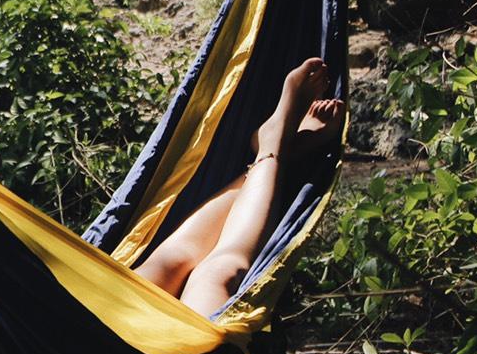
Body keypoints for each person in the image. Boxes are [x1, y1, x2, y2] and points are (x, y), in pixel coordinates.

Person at [133, 57, 346, 317]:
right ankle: (273, 148)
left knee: (166, 266)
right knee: (213, 275)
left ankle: (272, 148)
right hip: (176, 350)